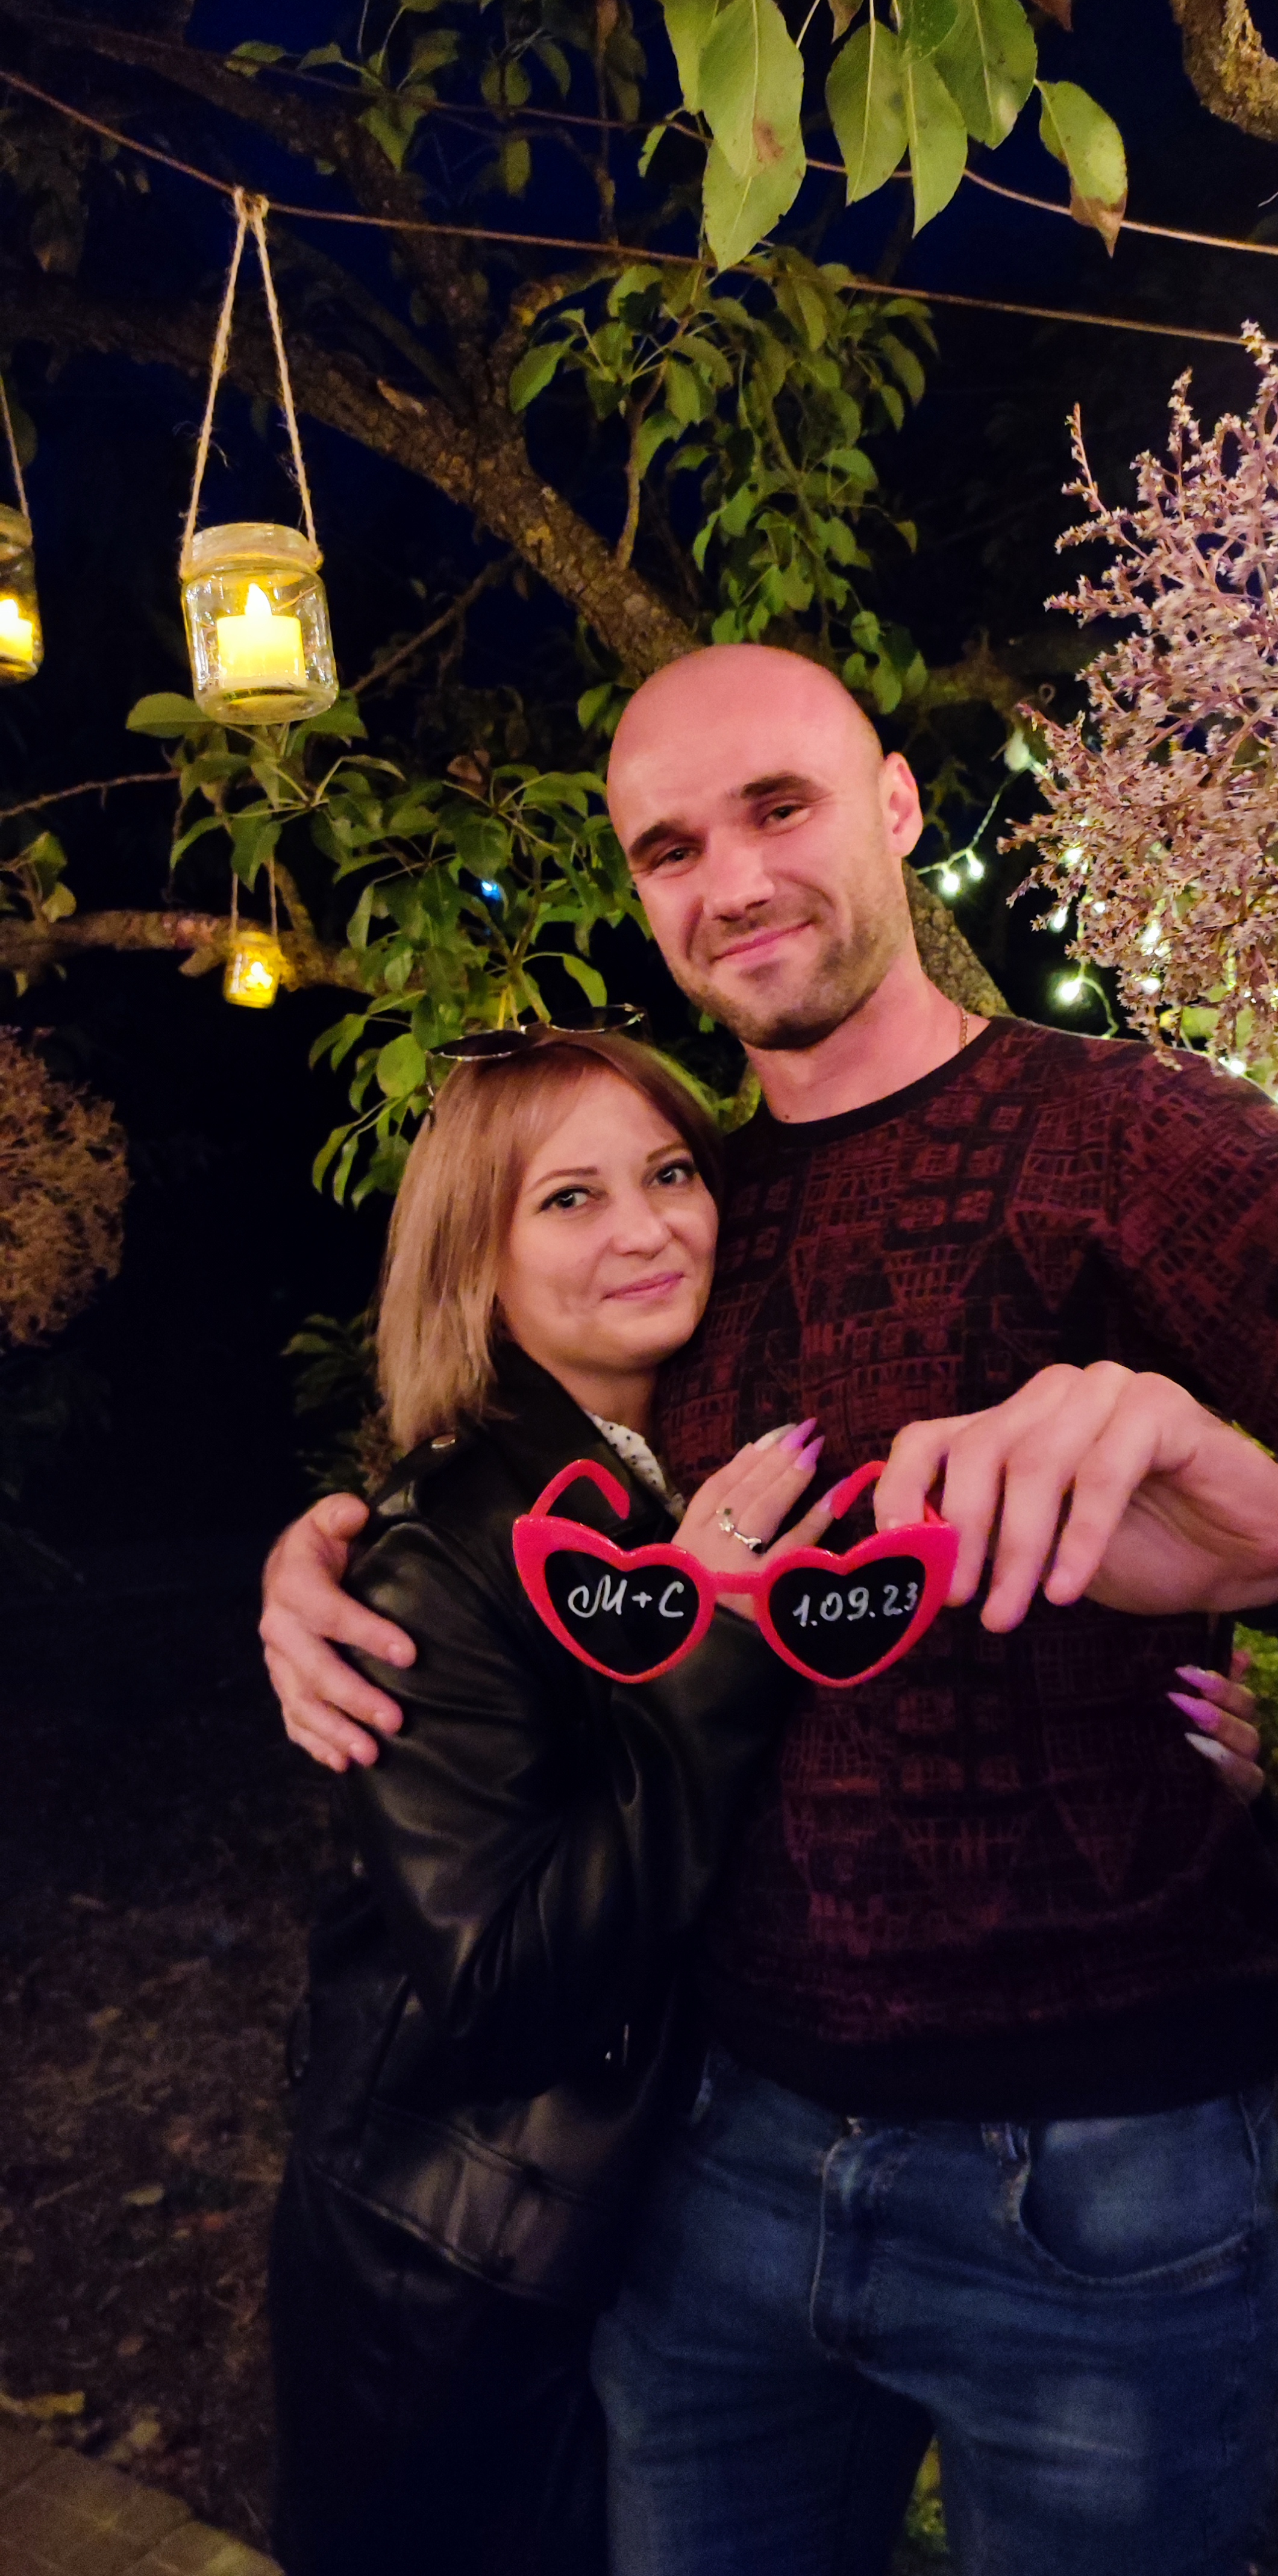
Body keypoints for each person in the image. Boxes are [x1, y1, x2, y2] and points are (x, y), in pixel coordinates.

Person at [260, 643, 1278, 2576]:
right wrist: (333, 1545)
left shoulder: (1129, 1135)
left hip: (1094, 2187)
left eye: (779, 808)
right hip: (709, 2168)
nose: (732, 881)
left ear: (895, 806)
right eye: (670, 849)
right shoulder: (698, 1211)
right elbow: (540, 1471)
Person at [268, 1021, 845, 2576]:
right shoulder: (440, 1554)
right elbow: (509, 1992)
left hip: (647, 2232)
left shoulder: (671, 1467)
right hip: (467, 2278)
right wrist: (714, 1642)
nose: (646, 1228)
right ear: (478, 1264)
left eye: (670, 1174)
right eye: (569, 1199)